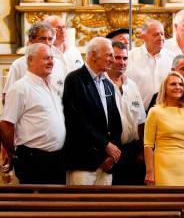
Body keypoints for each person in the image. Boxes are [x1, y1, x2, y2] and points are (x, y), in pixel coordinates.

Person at [0, 43, 66, 184]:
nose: (51, 62)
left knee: (57, 203)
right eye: (46, 58)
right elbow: (5, 124)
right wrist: (11, 153)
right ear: (30, 60)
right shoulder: (20, 88)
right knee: (36, 203)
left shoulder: (52, 85)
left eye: (51, 58)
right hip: (33, 159)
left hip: (58, 158)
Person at [63, 37, 122, 185]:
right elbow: (76, 121)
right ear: (94, 55)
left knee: (103, 208)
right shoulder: (75, 80)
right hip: (83, 162)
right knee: (81, 207)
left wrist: (113, 152)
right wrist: (105, 145)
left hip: (107, 163)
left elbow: (115, 121)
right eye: (109, 55)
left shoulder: (108, 84)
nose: (113, 60)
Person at [144, 72, 184, 186]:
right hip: (162, 165)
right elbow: (148, 145)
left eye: (180, 84)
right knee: (165, 202)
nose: (178, 87)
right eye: (173, 84)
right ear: (164, 88)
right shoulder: (155, 111)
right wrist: (150, 172)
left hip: (183, 167)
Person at [149, 55, 184, 159]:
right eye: (183, 69)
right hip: (162, 157)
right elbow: (149, 137)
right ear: (173, 70)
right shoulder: (157, 98)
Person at [108, 41, 146, 185]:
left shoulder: (132, 85)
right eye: (117, 58)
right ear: (109, 58)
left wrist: (142, 151)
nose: (122, 62)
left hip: (132, 150)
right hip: (110, 151)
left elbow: (141, 121)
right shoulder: (100, 84)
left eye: (125, 58)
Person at [3, 22, 65, 103]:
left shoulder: (59, 64)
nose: (47, 43)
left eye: (50, 39)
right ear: (32, 40)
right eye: (42, 39)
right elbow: (7, 98)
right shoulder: (19, 65)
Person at [127, 19, 174, 109]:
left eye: (162, 34)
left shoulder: (172, 58)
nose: (161, 38)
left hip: (166, 113)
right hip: (139, 114)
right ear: (143, 37)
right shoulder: (130, 58)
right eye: (156, 34)